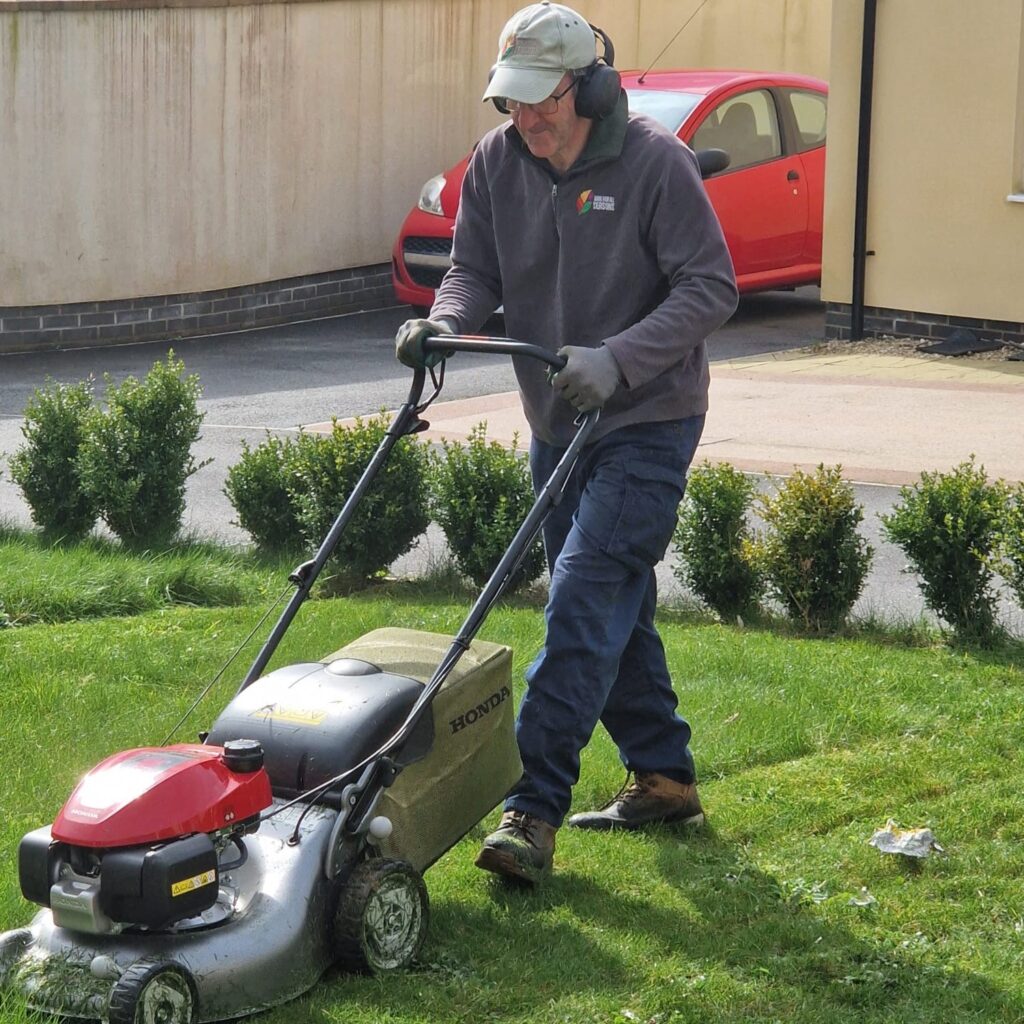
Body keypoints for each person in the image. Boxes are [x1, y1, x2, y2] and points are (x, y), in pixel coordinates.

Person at [395, 0, 738, 884]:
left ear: (585, 87)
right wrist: (443, 325)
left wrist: (621, 360)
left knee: (581, 602)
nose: (527, 118)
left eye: (543, 100)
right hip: (557, 421)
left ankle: (531, 808)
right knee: (613, 605)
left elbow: (710, 289)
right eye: (512, 100)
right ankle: (663, 776)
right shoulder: (497, 162)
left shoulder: (655, 165)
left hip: (646, 421)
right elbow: (473, 269)